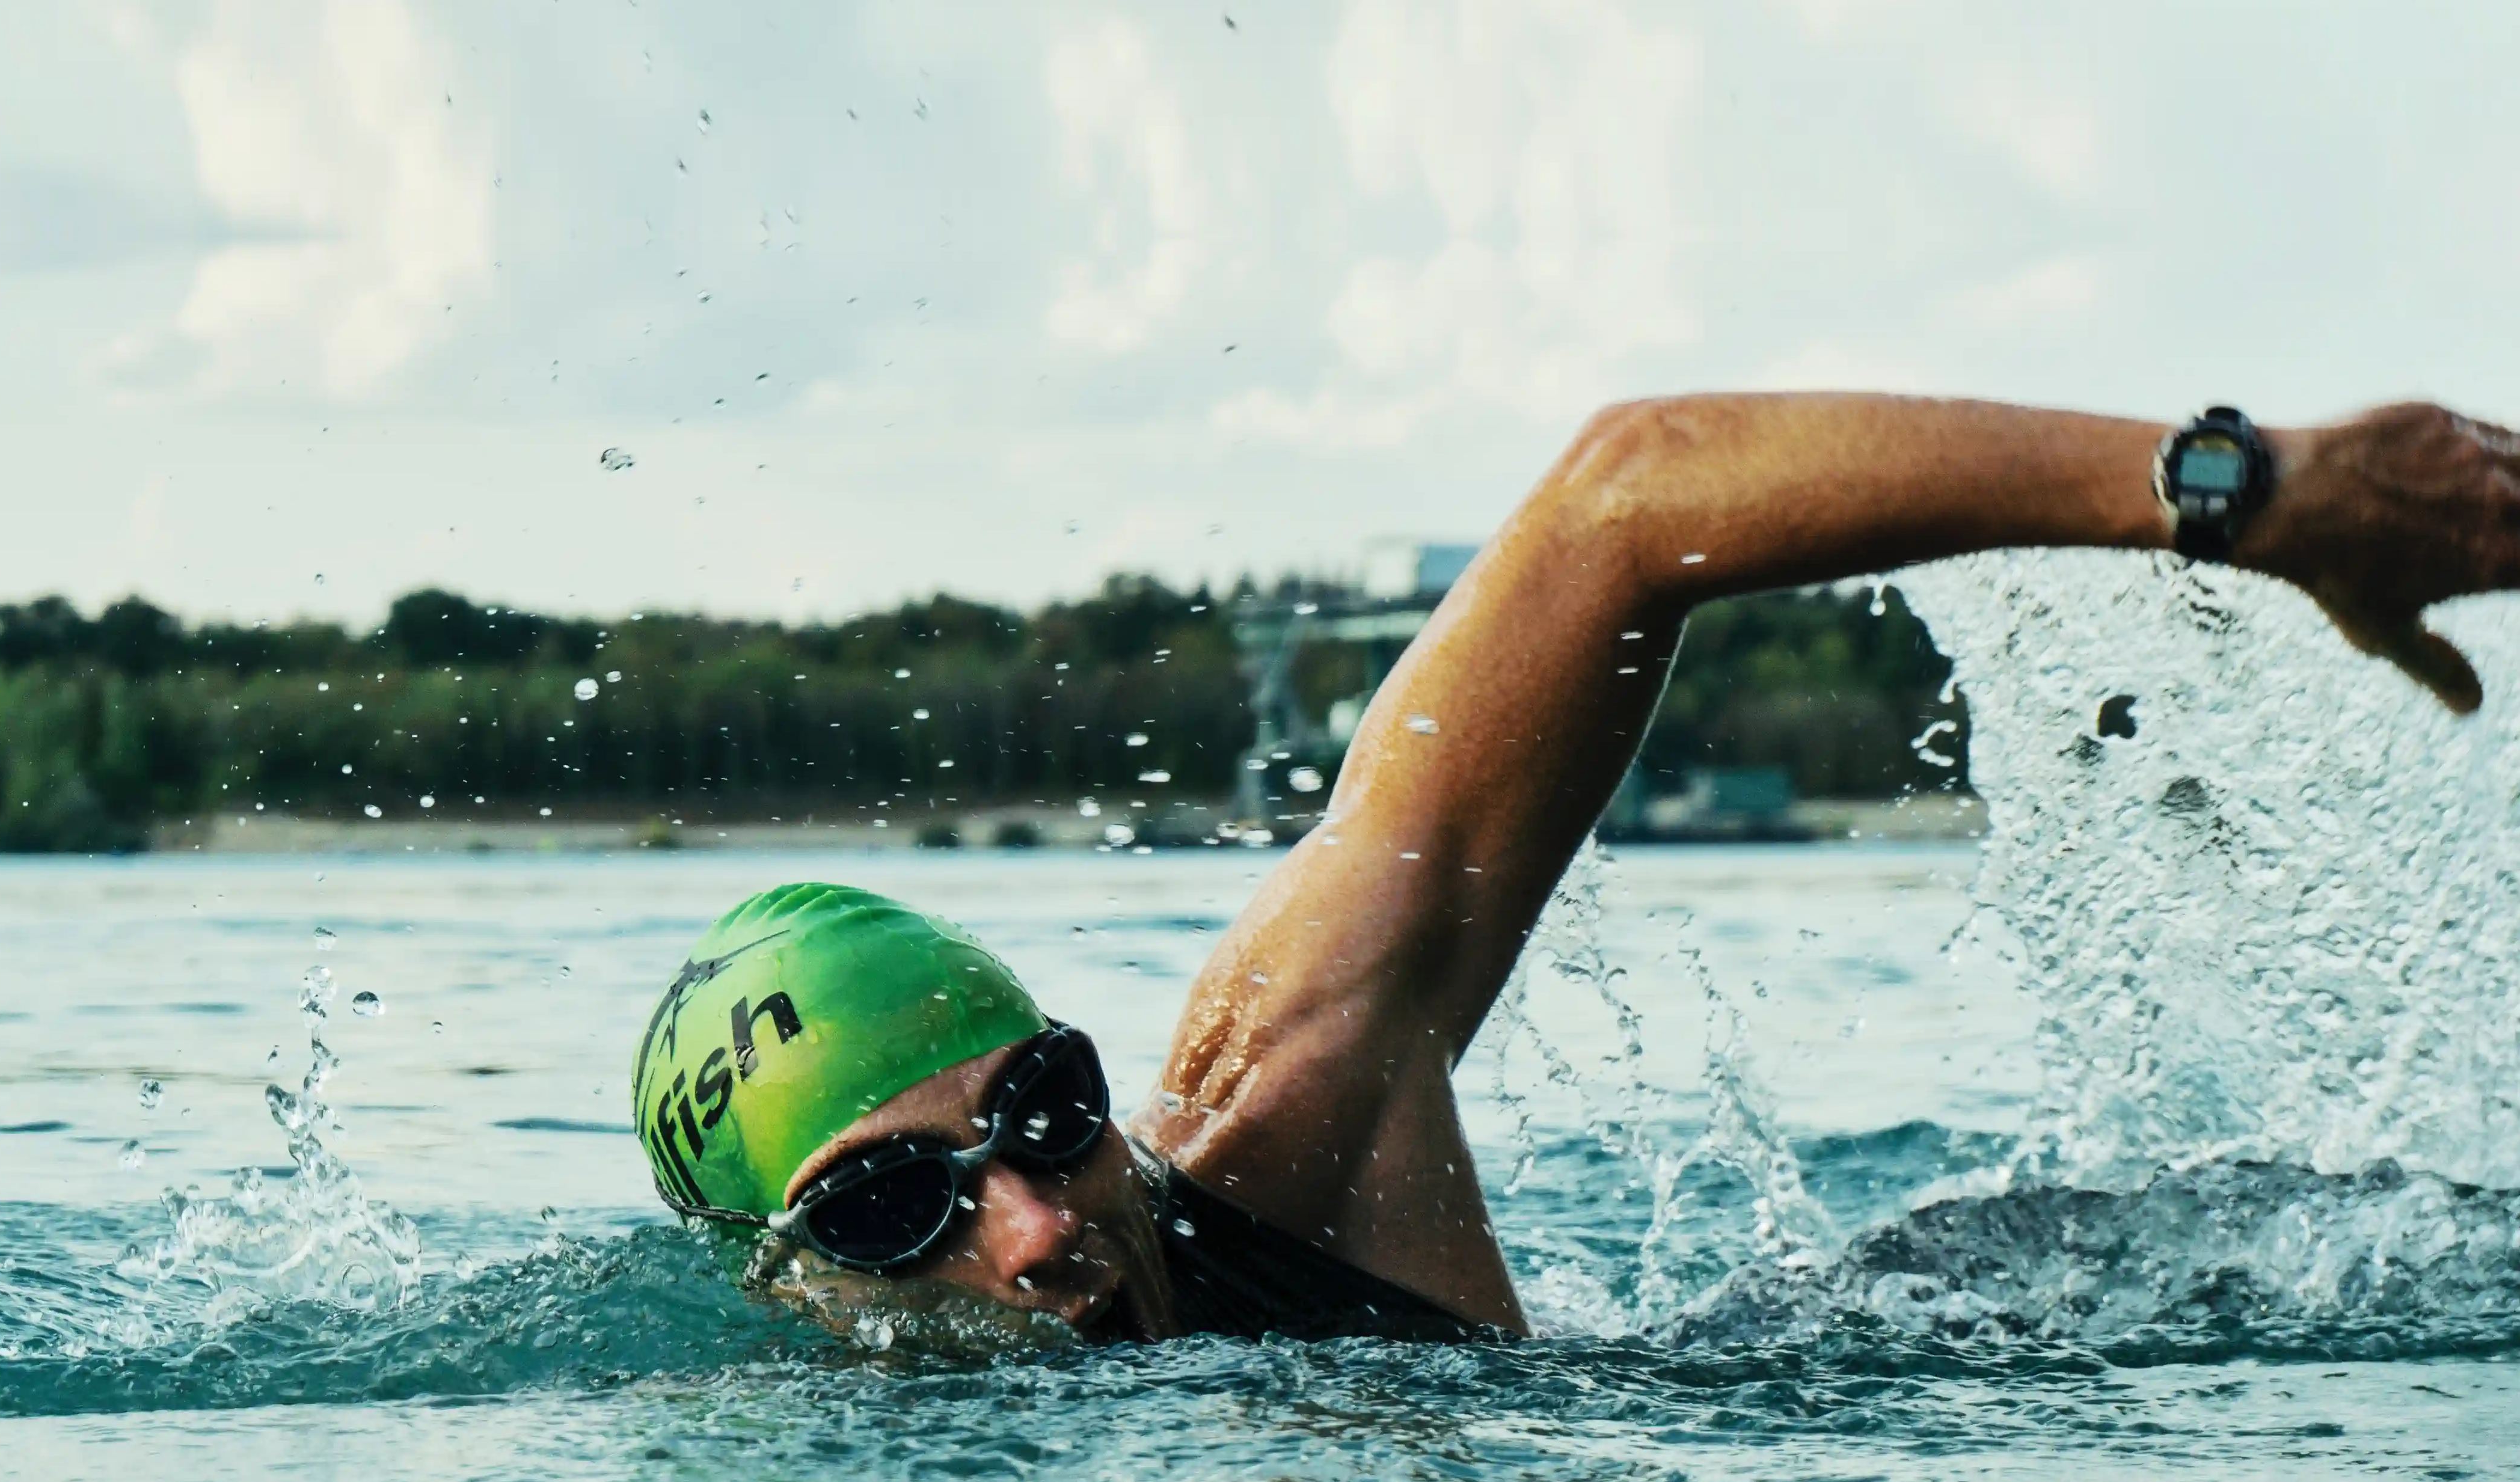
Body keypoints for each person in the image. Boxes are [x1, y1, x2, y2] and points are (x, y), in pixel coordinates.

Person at [628, 393, 2520, 1343]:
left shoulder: (1288, 1112)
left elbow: (1621, 501)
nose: (1032, 1228)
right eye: (893, 1214)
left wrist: (2242, 493)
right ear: (782, 1285)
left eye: (1042, 1114)